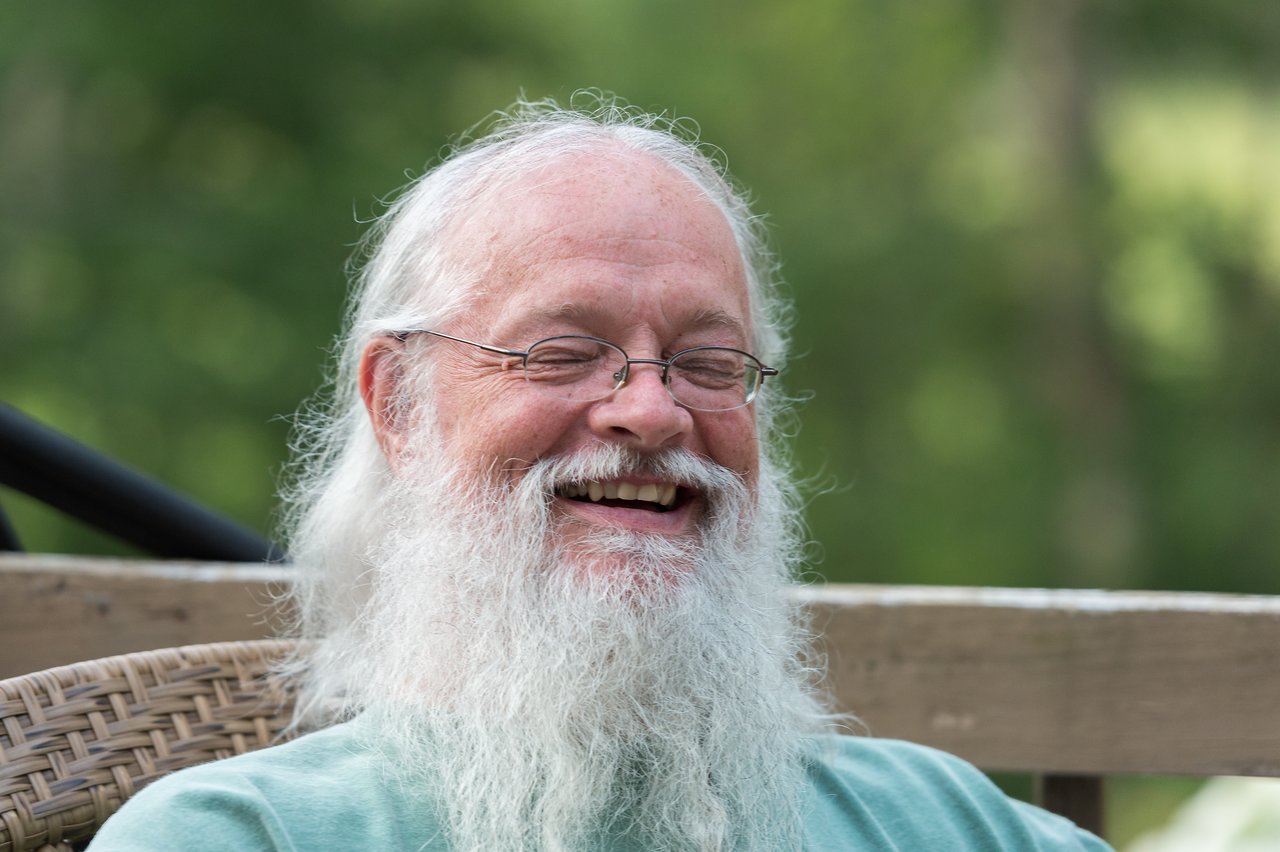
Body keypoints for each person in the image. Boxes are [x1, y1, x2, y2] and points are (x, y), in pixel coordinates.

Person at [90, 95, 1110, 851]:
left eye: (708, 363)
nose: (650, 410)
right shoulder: (239, 838)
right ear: (400, 404)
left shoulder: (948, 827)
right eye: (561, 351)